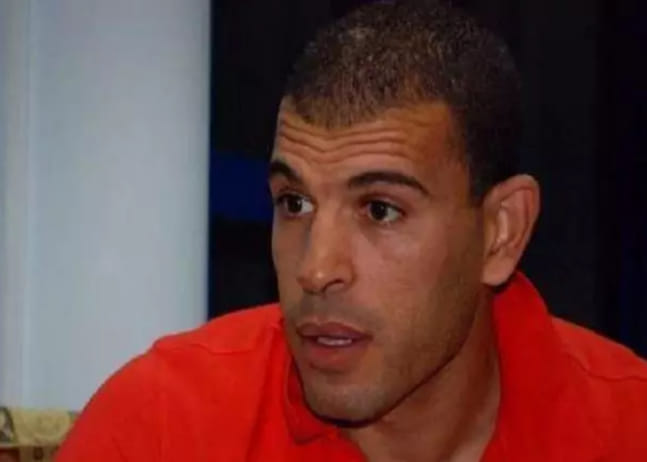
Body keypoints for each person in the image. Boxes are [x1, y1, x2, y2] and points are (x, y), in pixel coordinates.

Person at [56, 1, 647, 461]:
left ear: (501, 231)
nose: (316, 269)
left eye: (380, 210)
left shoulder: (629, 427)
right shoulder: (162, 426)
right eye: (294, 203)